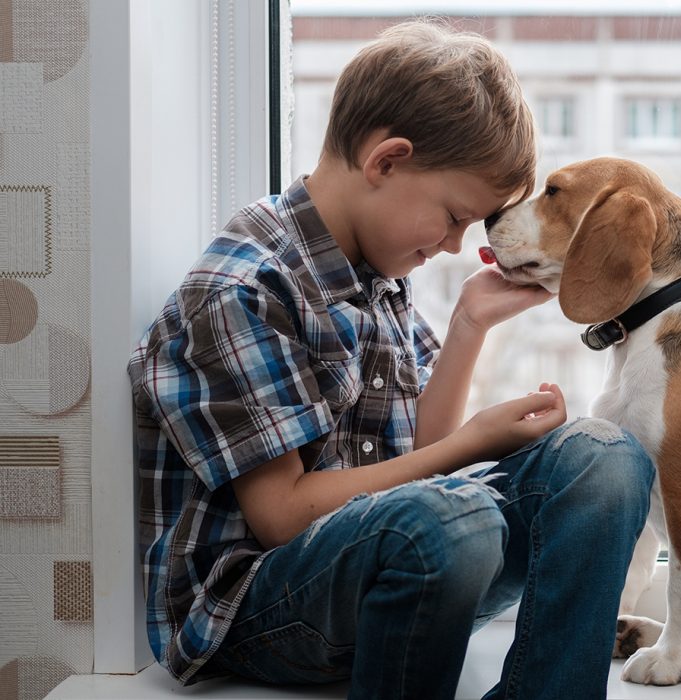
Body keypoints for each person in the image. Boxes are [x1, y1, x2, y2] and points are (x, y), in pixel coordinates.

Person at [127, 20, 654, 700]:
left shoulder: (375, 269)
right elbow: (283, 517)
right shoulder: (243, 290)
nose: (461, 245)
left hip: (405, 554)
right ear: (386, 162)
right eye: (456, 217)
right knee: (451, 518)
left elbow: (418, 457)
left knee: (605, 457)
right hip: (259, 606)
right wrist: (473, 443)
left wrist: (468, 323)